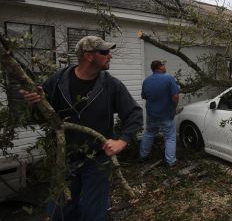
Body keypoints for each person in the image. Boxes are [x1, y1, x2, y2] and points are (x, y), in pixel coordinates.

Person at [19, 36, 143, 221]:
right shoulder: (58, 81)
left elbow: (134, 113)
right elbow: (42, 118)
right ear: (88, 56)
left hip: (97, 160)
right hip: (64, 158)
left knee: (93, 212)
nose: (110, 56)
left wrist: (122, 140)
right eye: (104, 52)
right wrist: (35, 103)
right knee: (60, 211)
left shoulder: (111, 85)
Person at [139, 60, 180, 167]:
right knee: (170, 137)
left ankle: (143, 156)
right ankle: (170, 161)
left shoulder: (146, 81)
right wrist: (174, 108)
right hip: (166, 115)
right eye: (163, 65)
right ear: (160, 67)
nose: (165, 66)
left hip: (152, 115)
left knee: (149, 133)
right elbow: (175, 96)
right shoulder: (169, 79)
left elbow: (143, 96)